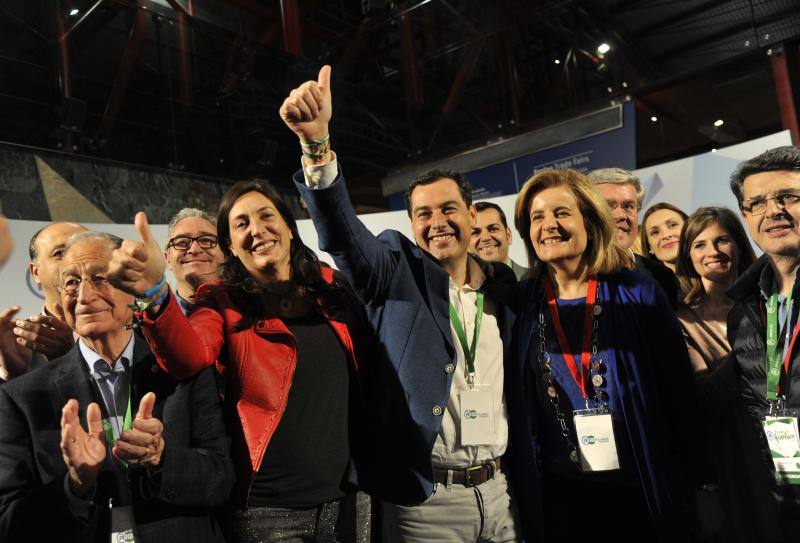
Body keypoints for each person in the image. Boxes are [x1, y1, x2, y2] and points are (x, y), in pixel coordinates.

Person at [280, 65, 537, 542]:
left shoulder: (502, 288)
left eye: (447, 209)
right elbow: (343, 237)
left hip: (501, 491)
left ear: (472, 213)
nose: (437, 221)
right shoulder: (395, 269)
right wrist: (317, 148)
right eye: (424, 213)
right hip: (427, 504)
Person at [107, 182, 373, 542]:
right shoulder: (219, 300)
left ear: (289, 228)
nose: (256, 229)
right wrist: (156, 293)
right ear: (231, 246)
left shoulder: (332, 288)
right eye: (241, 224)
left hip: (349, 502)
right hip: (269, 513)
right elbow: (189, 355)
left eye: (266, 216)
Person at [0, 231, 234, 543]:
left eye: (100, 278)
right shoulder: (22, 397)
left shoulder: (183, 370)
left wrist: (160, 459)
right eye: (71, 282)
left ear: (132, 289)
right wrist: (76, 485)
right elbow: (8, 522)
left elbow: (221, 478)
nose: (84, 296)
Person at [513, 168, 695, 540]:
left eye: (561, 213)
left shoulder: (637, 292)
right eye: (537, 217)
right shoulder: (521, 302)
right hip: (562, 494)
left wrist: (693, 478)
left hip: (640, 487)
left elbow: (679, 392)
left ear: (590, 219)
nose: (548, 225)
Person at [725, 145, 800, 541]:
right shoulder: (743, 308)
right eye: (757, 203)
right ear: (746, 216)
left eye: (788, 197)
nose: (773, 211)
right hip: (785, 493)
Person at [0, 222, 86, 381]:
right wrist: (12, 377)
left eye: (84, 250)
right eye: (60, 253)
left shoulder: (129, 333)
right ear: (36, 272)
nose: (75, 259)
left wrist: (74, 357)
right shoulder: (16, 342)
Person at [675, 207, 756, 373]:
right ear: (688, 256)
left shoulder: (768, 301)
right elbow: (704, 393)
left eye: (722, 241)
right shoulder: (683, 321)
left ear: (739, 246)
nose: (713, 252)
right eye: (700, 245)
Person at [589, 167, 679, 307]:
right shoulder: (566, 275)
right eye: (608, 206)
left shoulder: (662, 277)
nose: (620, 215)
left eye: (628, 206)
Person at [164, 208, 225, 315]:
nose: (194, 250)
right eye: (182, 242)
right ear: (168, 259)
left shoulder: (252, 313)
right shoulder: (148, 323)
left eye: (206, 240)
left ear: (224, 253)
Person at [470, 201, 528, 280]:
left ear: (508, 235)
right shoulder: (454, 290)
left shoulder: (536, 282)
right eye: (475, 232)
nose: (485, 238)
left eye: (493, 229)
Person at [641, 202, 688, 273]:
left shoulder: (710, 277)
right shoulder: (645, 283)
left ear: (690, 228)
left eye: (673, 225)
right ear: (650, 247)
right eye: (655, 232)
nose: (665, 235)